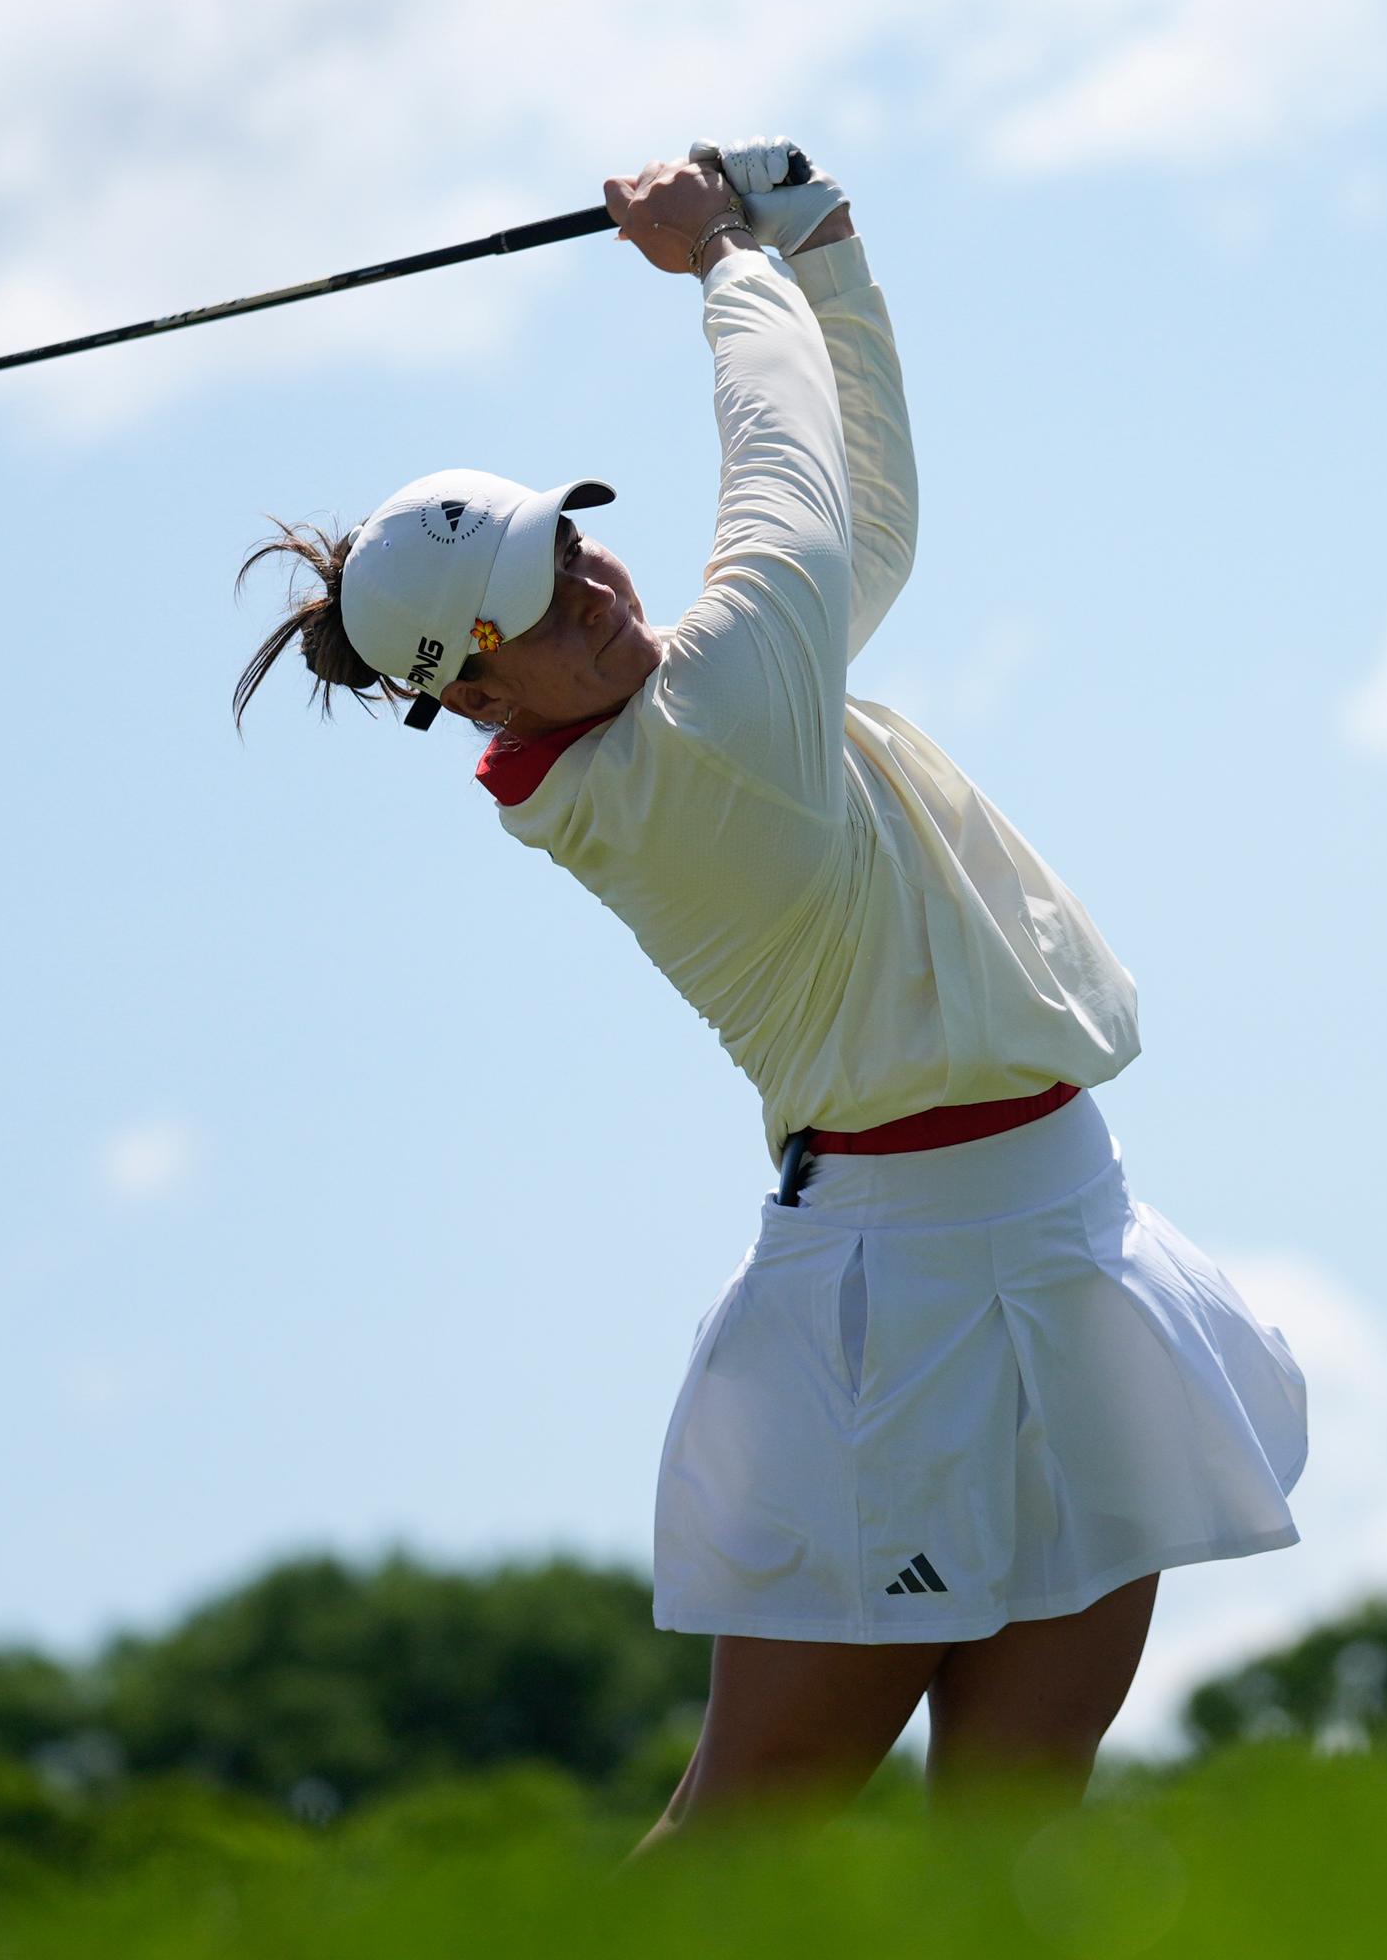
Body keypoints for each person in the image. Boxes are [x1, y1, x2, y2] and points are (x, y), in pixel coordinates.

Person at [236, 143, 1305, 1839]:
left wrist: (825, 248)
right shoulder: (701, 738)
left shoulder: (727, 689)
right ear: (479, 683)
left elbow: (860, 512)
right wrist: (728, 263)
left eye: (566, 543)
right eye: (535, 600)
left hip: (1066, 1233)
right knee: (753, 1826)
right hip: (903, 1299)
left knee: (1014, 1835)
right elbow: (787, 498)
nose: (593, 579)